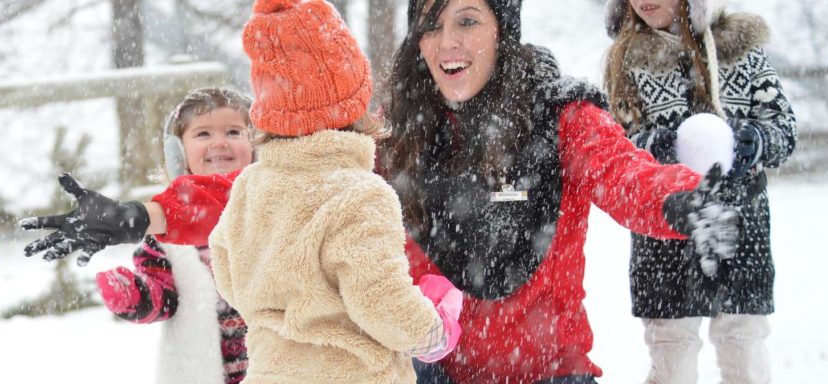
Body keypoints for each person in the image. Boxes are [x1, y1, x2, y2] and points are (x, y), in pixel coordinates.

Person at [380, 0, 740, 383]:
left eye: (467, 21)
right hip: (432, 373)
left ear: (503, 30)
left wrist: (677, 198)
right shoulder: (399, 132)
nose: (446, 42)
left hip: (552, 372)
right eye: (430, 26)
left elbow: (622, 172)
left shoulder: (558, 114)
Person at [207, 0, 463, 383]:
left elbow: (228, 273)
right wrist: (431, 329)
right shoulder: (359, 195)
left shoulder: (249, 187)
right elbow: (381, 302)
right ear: (353, 106)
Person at [603, 0, 796, 382]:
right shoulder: (628, 59)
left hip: (739, 220)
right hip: (665, 222)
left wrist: (755, 141)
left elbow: (783, 126)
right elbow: (616, 145)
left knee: (744, 345)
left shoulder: (739, 48)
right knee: (671, 351)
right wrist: (657, 145)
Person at [93, 87, 255, 384]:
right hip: (199, 372)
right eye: (203, 134)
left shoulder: (271, 208)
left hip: (277, 368)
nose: (219, 142)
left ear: (256, 144)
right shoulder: (165, 229)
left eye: (234, 132)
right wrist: (134, 295)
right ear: (177, 152)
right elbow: (163, 299)